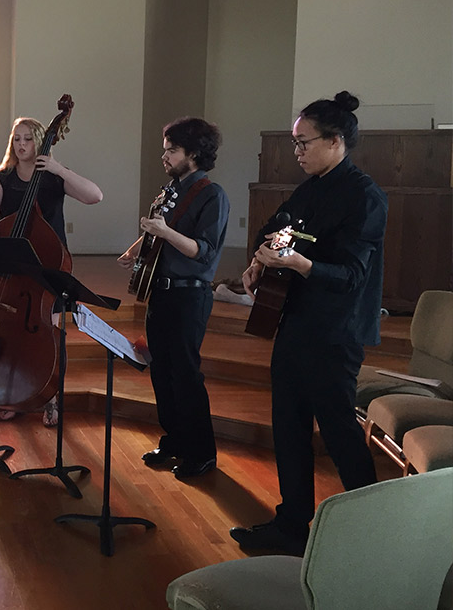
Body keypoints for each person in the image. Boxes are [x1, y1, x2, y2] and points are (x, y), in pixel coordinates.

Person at [231, 91, 385, 555]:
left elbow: (352, 275)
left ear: (336, 141)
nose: (296, 151)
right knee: (289, 427)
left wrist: (301, 264)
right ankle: (293, 525)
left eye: (303, 142)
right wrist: (260, 260)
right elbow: (274, 229)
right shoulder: (310, 187)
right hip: (295, 322)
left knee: (339, 433)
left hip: (336, 332)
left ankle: (374, 532)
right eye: (294, 143)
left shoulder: (364, 196)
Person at [117, 117, 229, 479]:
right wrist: (137, 248)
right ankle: (175, 441)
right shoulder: (173, 189)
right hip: (160, 294)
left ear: (194, 154)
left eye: (172, 150)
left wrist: (164, 231)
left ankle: (201, 453)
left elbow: (204, 252)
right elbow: (161, 232)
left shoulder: (212, 195)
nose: (164, 156)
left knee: (185, 376)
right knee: (161, 372)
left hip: (189, 297)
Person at [0, 117, 103, 425]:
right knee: (11, 335)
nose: (21, 145)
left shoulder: (52, 178)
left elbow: (94, 196)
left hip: (48, 267)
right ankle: (14, 397)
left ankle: (50, 398)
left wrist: (60, 169)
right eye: (16, 139)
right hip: (13, 267)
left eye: (28, 139)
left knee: (47, 337)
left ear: (40, 142)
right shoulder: (2, 178)